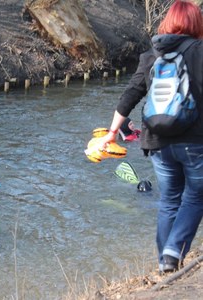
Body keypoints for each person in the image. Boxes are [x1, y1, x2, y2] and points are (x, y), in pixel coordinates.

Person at [97, 0, 203, 273]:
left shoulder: (152, 54)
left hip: (156, 141)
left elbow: (130, 95)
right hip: (194, 141)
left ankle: (163, 261)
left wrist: (111, 133)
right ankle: (172, 253)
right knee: (195, 197)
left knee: (169, 200)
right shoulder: (200, 51)